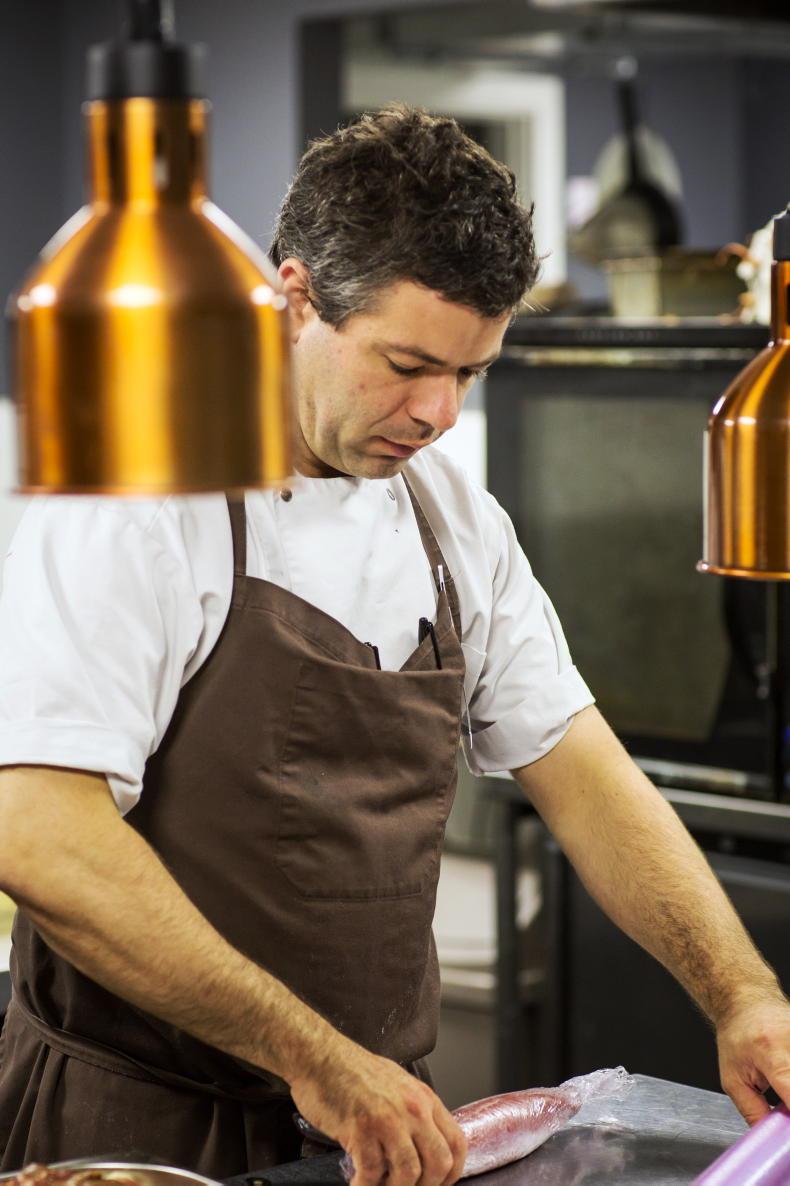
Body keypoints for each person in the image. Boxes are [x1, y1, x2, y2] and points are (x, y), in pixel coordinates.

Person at [0, 103, 789, 1184]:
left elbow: (586, 776)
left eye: (470, 373)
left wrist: (741, 993)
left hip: (375, 1131)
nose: (438, 413)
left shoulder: (451, 519)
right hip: (136, 1126)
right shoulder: (139, 500)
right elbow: (37, 829)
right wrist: (312, 1056)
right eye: (407, 363)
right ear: (294, 299)